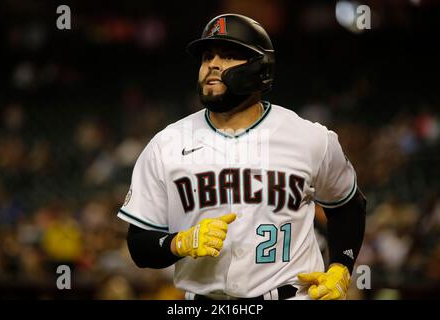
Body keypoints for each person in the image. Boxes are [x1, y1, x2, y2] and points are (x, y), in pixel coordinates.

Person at [118, 13, 366, 300]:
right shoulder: (167, 144)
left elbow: (348, 206)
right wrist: (178, 243)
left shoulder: (309, 138)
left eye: (227, 56)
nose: (212, 64)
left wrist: (341, 267)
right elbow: (139, 245)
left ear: (260, 67)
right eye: (207, 56)